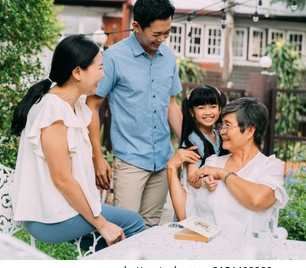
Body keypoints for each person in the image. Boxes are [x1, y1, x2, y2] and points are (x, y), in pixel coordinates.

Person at [10, 35, 145, 251]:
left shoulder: (75, 106)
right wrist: (101, 224)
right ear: (78, 72)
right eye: (99, 68)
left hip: (63, 208)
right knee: (133, 224)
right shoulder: (52, 111)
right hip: (49, 217)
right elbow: (62, 179)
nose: (104, 74)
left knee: (112, 241)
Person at [86, 0, 182, 228]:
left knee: (150, 228)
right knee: (123, 229)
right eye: (156, 33)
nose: (162, 39)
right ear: (137, 26)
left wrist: (190, 143)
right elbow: (91, 106)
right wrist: (97, 158)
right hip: (130, 160)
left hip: (163, 159)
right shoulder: (113, 58)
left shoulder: (168, 57)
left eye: (167, 33)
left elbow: (172, 105)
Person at [167, 97, 289, 236]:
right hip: (207, 249)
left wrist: (223, 174)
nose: (221, 131)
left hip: (245, 252)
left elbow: (257, 199)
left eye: (227, 125)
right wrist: (171, 169)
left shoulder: (270, 166)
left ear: (249, 131)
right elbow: (186, 214)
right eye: (221, 125)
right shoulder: (213, 163)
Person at [180, 85, 227, 186]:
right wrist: (204, 182)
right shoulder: (194, 140)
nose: (208, 112)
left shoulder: (219, 134)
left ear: (220, 109)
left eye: (213, 107)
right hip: (198, 192)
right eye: (201, 108)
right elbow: (192, 178)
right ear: (192, 112)